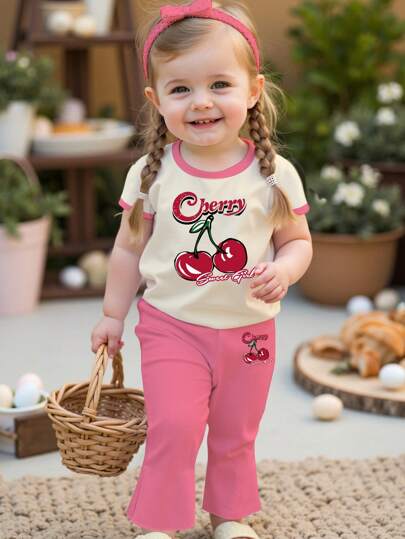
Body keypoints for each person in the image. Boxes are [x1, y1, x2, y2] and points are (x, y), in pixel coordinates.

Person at [91, 1, 313, 538]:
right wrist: (112, 315)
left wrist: (285, 270)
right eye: (181, 89)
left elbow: (297, 242)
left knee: (236, 431)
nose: (202, 102)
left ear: (253, 90)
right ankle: (159, 521)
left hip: (249, 331)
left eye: (219, 84)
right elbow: (127, 251)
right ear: (156, 100)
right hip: (173, 326)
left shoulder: (274, 175)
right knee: (174, 426)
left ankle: (230, 516)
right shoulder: (152, 176)